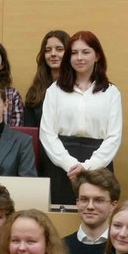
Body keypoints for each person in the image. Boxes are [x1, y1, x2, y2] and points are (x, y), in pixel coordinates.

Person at [40, 30, 122, 205]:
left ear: (97, 56)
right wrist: (70, 164)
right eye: (74, 53)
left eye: (86, 52)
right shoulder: (55, 90)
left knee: (96, 212)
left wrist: (88, 166)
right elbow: (47, 134)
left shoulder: (111, 92)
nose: (79, 58)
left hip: (99, 163)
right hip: (61, 164)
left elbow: (113, 137)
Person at [63, 168, 120, 254]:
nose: (90, 206)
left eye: (98, 200)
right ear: (77, 203)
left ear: (113, 206)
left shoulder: (123, 247)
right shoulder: (60, 247)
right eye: (84, 199)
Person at [24, 30, 70, 127]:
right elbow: (29, 130)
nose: (53, 54)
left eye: (59, 49)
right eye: (48, 50)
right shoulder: (35, 91)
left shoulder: (78, 87)